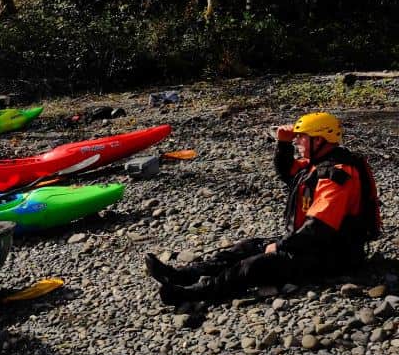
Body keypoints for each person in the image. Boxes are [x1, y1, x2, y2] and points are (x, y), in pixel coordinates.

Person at [146, 112, 382, 305]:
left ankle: (196, 292)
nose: (297, 142)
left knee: (254, 265)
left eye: (301, 138)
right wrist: (283, 142)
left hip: (333, 255)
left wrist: (280, 246)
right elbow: (286, 171)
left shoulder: (337, 175)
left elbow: (318, 229)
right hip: (313, 246)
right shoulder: (317, 164)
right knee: (246, 247)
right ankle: (183, 274)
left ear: (319, 140)